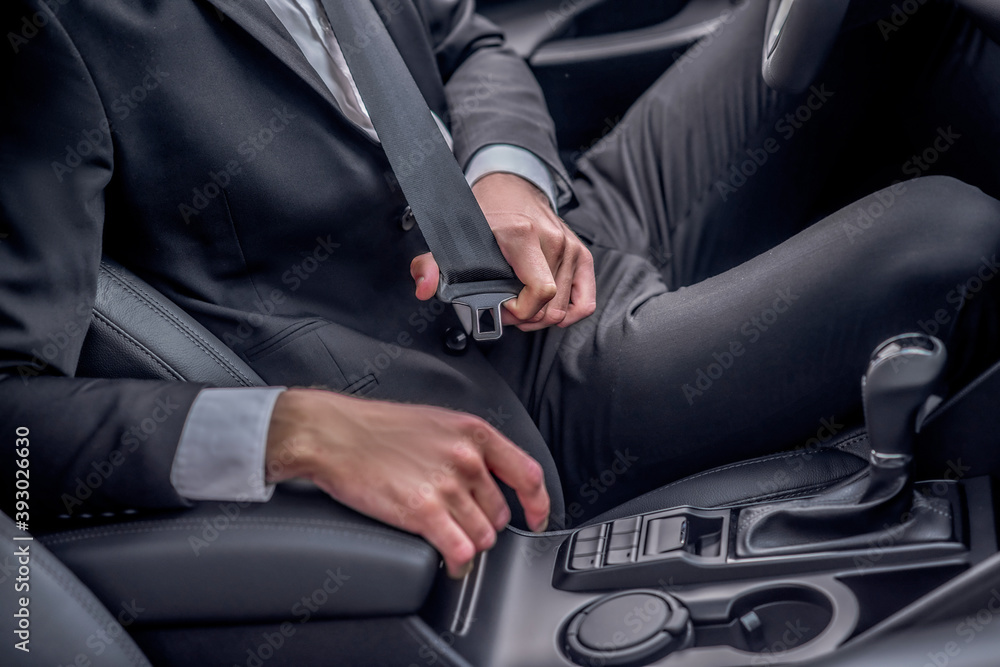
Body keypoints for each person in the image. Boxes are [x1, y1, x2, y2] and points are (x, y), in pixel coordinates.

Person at [2, 0, 1000, 579]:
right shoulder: (53, 30)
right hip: (501, 383)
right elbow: (13, 414)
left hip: (574, 222)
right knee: (949, 230)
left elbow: (469, 43)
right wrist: (292, 431)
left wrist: (509, 177)